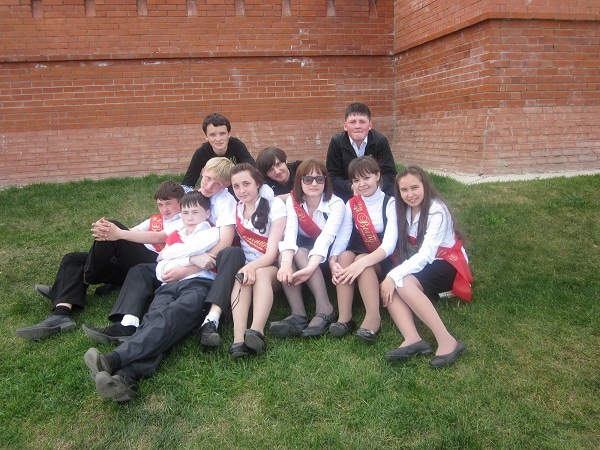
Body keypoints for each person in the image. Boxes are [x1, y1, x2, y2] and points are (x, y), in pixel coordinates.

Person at [82, 158, 242, 345]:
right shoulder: (196, 195)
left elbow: (225, 243)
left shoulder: (225, 202)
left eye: (218, 184)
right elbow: (169, 233)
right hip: (182, 254)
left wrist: (188, 269)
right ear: (203, 170)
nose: (210, 186)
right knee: (140, 270)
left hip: (205, 266)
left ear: (227, 184)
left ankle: (92, 280)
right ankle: (128, 324)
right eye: (208, 178)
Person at [83, 191, 220, 402]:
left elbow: (179, 252)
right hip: (168, 285)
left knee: (170, 317)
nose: (190, 217)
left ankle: (112, 360)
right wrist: (192, 259)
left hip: (198, 284)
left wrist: (175, 255)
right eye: (185, 213)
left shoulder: (212, 232)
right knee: (153, 321)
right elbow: (160, 265)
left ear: (207, 213)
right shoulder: (176, 235)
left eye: (195, 212)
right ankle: (124, 380)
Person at [15, 181, 184, 341]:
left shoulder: (184, 220)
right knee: (73, 259)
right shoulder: (155, 219)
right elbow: (132, 230)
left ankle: (82, 280)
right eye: (160, 204)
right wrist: (107, 230)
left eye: (168, 204)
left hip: (152, 264)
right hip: (128, 265)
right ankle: (61, 314)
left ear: (181, 202)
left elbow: (159, 237)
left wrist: (117, 232)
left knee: (114, 229)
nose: (164, 209)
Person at [380, 165, 473, 368]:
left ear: (425, 186)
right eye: (404, 190)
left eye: (415, 187)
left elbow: (427, 254)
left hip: (447, 262)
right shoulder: (399, 207)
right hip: (425, 262)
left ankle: (448, 342)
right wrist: (390, 275)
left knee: (401, 281)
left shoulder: (437, 210)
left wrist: (393, 275)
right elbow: (393, 243)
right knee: (391, 282)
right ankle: (412, 339)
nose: (410, 194)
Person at [328, 156, 398, 342]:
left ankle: (374, 318)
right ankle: (345, 318)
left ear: (377, 176)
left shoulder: (390, 203)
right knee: (344, 256)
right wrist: (333, 260)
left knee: (361, 261)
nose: (361, 184)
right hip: (360, 251)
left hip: (384, 260)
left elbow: (389, 245)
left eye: (366, 178)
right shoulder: (351, 204)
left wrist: (362, 263)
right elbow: (343, 237)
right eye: (356, 180)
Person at [273, 159, 344, 338]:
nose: (314, 184)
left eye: (319, 179)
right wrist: (286, 263)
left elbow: (326, 239)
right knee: (285, 256)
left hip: (328, 256)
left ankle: (325, 308)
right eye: (308, 179)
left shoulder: (336, 204)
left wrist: (310, 267)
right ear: (300, 181)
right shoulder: (293, 201)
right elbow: (290, 233)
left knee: (300, 252)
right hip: (304, 253)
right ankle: (298, 314)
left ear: (326, 181)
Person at [227, 163, 286, 358]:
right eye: (236, 186)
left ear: (258, 183)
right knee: (241, 277)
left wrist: (250, 267)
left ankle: (257, 331)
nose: (242, 191)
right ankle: (238, 340)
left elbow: (271, 254)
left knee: (258, 273)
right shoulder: (236, 208)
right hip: (249, 266)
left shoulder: (275, 205)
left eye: (246, 184)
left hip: (274, 267)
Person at [326, 102, 397, 202]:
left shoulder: (380, 141)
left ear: (370, 125)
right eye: (353, 122)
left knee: (395, 193)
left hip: (375, 190)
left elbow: (389, 174)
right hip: (347, 191)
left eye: (362, 122)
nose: (357, 126)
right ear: (345, 126)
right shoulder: (337, 142)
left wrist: (372, 188)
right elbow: (331, 175)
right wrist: (353, 187)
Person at [181, 113, 255, 192]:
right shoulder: (202, 153)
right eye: (212, 135)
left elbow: (253, 170)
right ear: (206, 136)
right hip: (212, 191)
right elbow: (186, 185)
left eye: (222, 134)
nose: (218, 139)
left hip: (236, 190)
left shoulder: (236, 145)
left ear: (229, 134)